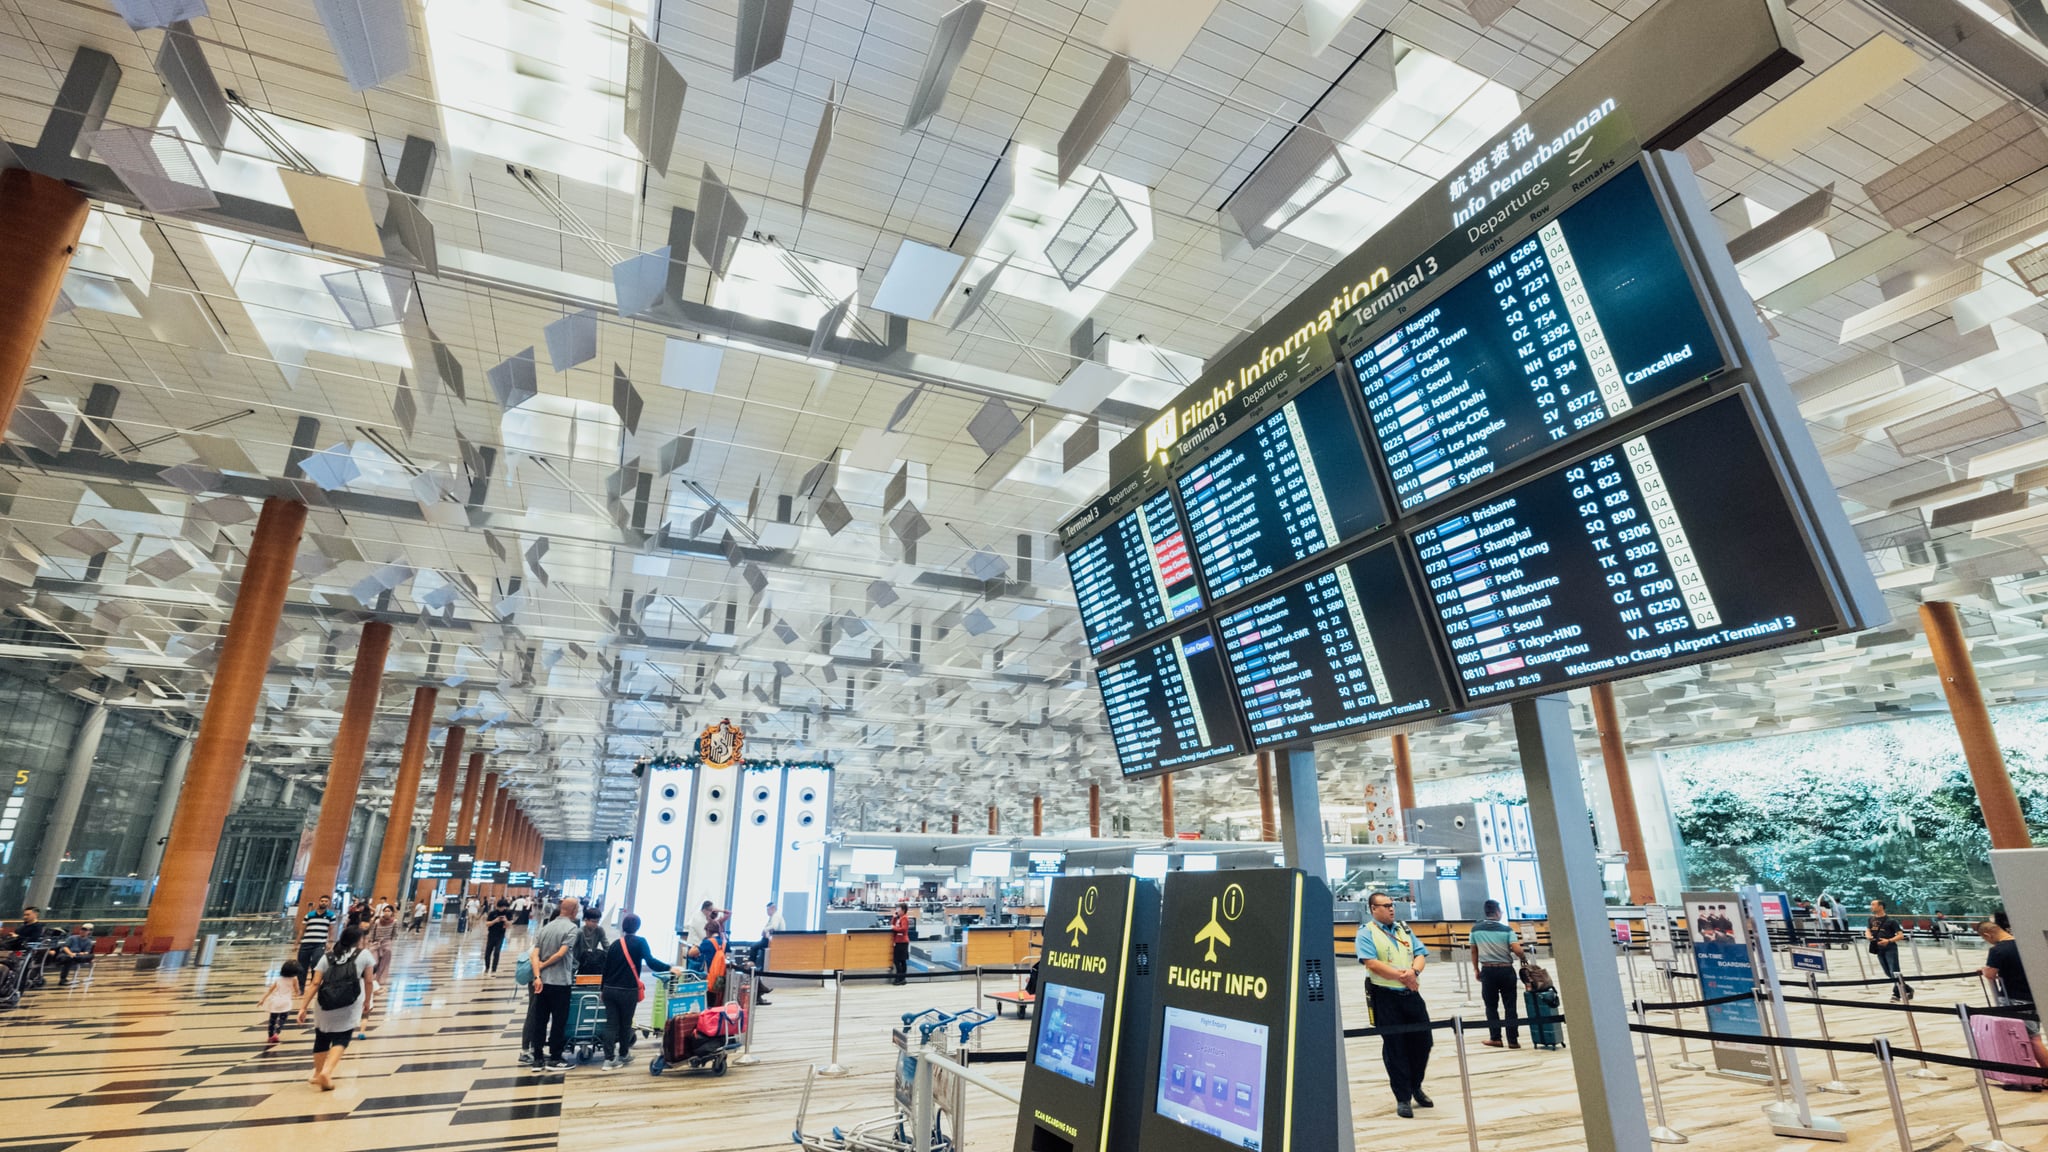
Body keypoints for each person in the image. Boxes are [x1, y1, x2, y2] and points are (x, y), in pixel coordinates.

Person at [1358, 891, 1432, 1118]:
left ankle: (1415, 1084)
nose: (1391, 909)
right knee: (1395, 1048)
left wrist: (1414, 971)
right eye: (1386, 905)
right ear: (1373, 909)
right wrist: (1403, 977)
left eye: (1392, 905)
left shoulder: (1404, 929)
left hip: (1411, 995)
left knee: (1423, 1042)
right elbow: (1371, 962)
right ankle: (1403, 1098)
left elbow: (1420, 954)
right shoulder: (1366, 932)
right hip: (1385, 997)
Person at [297, 924, 375, 1090]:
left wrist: (303, 1007)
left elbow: (315, 982)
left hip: (325, 1002)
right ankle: (327, 1071)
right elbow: (369, 981)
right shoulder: (364, 954)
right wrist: (368, 1001)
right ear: (358, 940)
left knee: (321, 1037)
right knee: (342, 1038)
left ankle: (317, 1073)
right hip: (350, 1002)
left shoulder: (328, 956)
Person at [599, 912, 672, 1070]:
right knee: (625, 1024)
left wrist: (602, 989)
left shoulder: (615, 944)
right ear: (638, 927)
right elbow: (651, 961)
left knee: (611, 1025)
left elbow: (606, 969)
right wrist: (669, 968)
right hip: (628, 990)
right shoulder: (640, 942)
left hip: (610, 989)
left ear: (623, 927)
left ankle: (608, 1059)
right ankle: (623, 1055)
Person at [1978, 920, 2048, 1068]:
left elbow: (1990, 974)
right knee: (2034, 1035)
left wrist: (1985, 970)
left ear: (1987, 935)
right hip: (2034, 996)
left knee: (2032, 1039)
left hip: (2015, 999)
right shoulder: (2025, 945)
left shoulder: (1998, 950)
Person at [524, 897, 581, 1072]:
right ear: (574, 911)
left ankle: (538, 1058)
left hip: (541, 982)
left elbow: (534, 954)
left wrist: (537, 975)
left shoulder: (545, 928)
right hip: (560, 983)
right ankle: (555, 1057)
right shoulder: (572, 929)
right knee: (558, 1021)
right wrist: (544, 964)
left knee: (540, 1020)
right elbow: (561, 954)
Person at [1469, 901, 1523, 1049]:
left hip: (1488, 971)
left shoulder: (1475, 930)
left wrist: (1476, 969)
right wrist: (1523, 957)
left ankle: (1496, 1038)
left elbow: (1474, 951)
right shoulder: (1507, 930)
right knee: (1510, 1006)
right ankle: (1513, 1040)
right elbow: (1517, 950)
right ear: (1497, 912)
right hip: (1506, 970)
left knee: (1491, 1006)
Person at [1868, 899, 1911, 1001]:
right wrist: (1868, 936)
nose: (1871, 907)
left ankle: (1896, 994)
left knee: (1894, 971)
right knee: (1888, 973)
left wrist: (1889, 940)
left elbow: (1901, 935)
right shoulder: (1870, 919)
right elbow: (1868, 929)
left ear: (1881, 906)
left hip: (1890, 948)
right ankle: (1907, 989)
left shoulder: (1891, 921)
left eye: (1873, 905)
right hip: (1878, 949)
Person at [295, 895, 335, 994]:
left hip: (319, 943)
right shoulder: (309, 915)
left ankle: (314, 985)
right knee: (302, 966)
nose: (324, 902)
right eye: (322, 901)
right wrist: (297, 943)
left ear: (329, 903)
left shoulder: (331, 915)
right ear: (319, 901)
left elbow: (331, 930)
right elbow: (302, 929)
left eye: (326, 901)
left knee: (316, 964)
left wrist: (330, 942)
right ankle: (301, 988)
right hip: (306, 943)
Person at [262, 960, 300, 1045]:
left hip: (275, 1002)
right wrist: (297, 994)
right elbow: (297, 990)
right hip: (286, 1003)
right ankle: (277, 1033)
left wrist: (262, 999)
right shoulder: (294, 979)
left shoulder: (278, 979)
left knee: (272, 1020)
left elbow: (270, 990)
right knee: (282, 1019)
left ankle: (270, 1035)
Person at [756, 900, 785, 1005]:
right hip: (770, 943)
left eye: (768, 909)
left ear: (772, 908)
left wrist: (765, 930)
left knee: (755, 948)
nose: (767, 912)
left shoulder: (776, 916)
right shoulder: (773, 917)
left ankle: (752, 964)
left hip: (774, 944)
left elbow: (773, 927)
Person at [366, 905, 398, 990]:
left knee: (384, 964)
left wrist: (390, 941)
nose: (386, 912)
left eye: (388, 911)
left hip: (387, 944)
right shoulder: (377, 921)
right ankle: (371, 978)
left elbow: (395, 934)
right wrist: (371, 941)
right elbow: (373, 931)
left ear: (392, 912)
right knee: (374, 962)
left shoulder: (394, 922)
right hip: (376, 943)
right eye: (385, 911)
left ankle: (379, 980)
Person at [484, 898, 512, 973]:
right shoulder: (492, 913)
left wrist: (506, 921)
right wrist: (495, 920)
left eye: (505, 907)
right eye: (502, 907)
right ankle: (487, 967)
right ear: (498, 906)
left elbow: (509, 925)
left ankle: (494, 969)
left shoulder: (508, 913)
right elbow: (487, 924)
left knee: (497, 952)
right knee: (488, 952)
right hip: (491, 934)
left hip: (500, 935)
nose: (503, 908)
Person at [890, 902, 912, 986]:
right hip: (898, 941)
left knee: (899, 960)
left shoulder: (905, 918)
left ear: (903, 910)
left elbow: (903, 929)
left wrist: (894, 928)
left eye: (898, 909)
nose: (896, 910)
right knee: (900, 960)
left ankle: (901, 978)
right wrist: (894, 918)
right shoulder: (899, 918)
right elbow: (892, 924)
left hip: (902, 941)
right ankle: (901, 978)